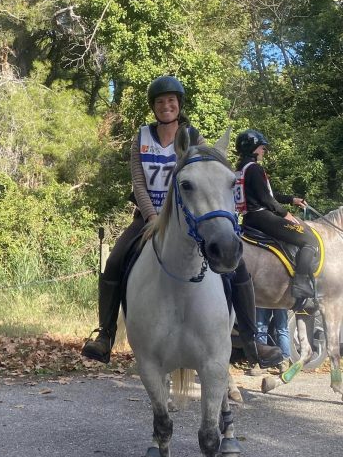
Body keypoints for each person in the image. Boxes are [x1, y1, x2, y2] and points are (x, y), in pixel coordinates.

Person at [81, 76, 283, 369]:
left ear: (179, 105)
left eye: (171, 101)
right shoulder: (141, 138)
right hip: (149, 216)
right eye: (160, 102)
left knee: (237, 266)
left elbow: (208, 173)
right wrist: (151, 216)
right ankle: (105, 335)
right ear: (154, 107)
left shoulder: (193, 137)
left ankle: (251, 340)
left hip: (189, 216)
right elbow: (138, 182)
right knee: (114, 261)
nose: (166, 106)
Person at [235, 129, 315, 299]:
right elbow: (266, 199)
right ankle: (301, 283)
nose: (264, 151)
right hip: (261, 217)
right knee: (309, 240)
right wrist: (285, 214)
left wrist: (291, 199)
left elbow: (266, 194)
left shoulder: (240, 169)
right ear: (253, 148)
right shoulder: (255, 168)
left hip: (248, 217)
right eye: (262, 147)